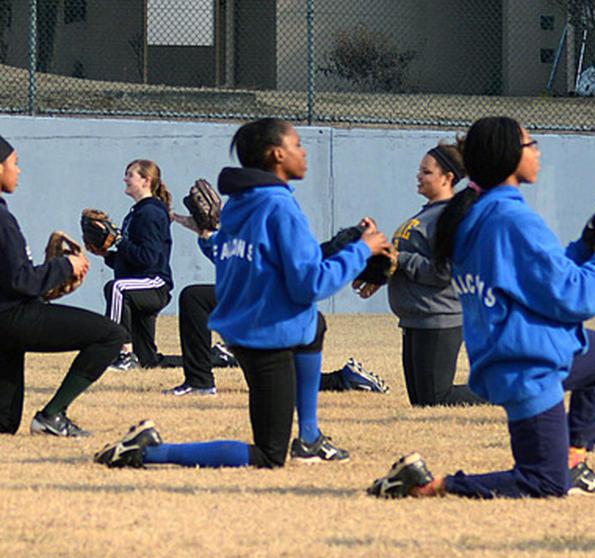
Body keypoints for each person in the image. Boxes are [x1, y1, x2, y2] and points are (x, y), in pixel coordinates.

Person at [367, 116, 595, 499]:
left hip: (512, 351)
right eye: (531, 144)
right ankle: (427, 486)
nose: (538, 151)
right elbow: (580, 297)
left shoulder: (474, 213)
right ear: (509, 156)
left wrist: (587, 243)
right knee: (542, 483)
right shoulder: (512, 219)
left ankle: (572, 460)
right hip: (528, 364)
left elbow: (542, 274)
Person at [95, 118, 390, 469]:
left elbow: (223, 253)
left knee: (315, 326)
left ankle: (309, 437)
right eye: (296, 144)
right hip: (265, 337)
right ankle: (147, 451)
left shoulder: (240, 204)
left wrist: (205, 233)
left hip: (247, 326)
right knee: (268, 455)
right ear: (277, 154)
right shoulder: (280, 208)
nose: (304, 150)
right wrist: (361, 251)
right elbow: (310, 284)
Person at [161, 214, 388, 397]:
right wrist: (207, 234)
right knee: (277, 382)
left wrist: (210, 236)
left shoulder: (292, 232)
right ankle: (344, 379)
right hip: (269, 314)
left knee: (195, 297)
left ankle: (200, 382)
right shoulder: (312, 253)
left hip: (271, 317)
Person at [0, 134, 129, 437]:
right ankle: (52, 415)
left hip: (6, 322)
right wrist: (64, 266)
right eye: (14, 164)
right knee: (111, 336)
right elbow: (22, 282)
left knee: (4, 424)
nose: (18, 171)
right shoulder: (2, 220)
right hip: (12, 318)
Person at [353, 143, 484, 407]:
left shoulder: (451, 216)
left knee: (437, 398)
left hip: (438, 317)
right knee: (421, 401)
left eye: (426, 172)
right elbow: (403, 260)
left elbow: (443, 272)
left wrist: (399, 259)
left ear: (448, 178)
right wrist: (380, 272)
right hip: (415, 317)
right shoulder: (425, 214)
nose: (419, 176)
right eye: (420, 170)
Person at [92, 159, 174, 371]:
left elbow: (148, 258)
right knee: (149, 360)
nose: (125, 179)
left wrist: (119, 240)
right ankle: (217, 359)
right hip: (139, 283)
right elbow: (133, 258)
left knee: (116, 288)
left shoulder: (150, 212)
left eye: (130, 174)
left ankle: (122, 353)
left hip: (154, 284)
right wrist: (106, 255)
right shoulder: (137, 212)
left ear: (146, 180)